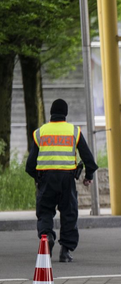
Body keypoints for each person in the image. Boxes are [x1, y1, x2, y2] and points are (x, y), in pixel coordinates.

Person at [25, 99, 98, 262]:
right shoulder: (74, 131)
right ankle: (65, 251)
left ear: (51, 113)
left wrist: (38, 179)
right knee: (69, 213)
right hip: (67, 179)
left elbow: (30, 165)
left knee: (44, 212)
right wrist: (88, 176)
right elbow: (89, 159)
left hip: (46, 178)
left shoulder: (40, 132)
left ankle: (47, 238)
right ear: (65, 113)